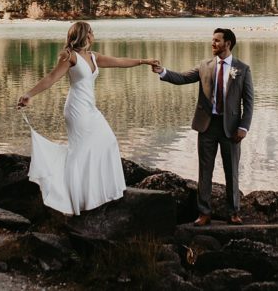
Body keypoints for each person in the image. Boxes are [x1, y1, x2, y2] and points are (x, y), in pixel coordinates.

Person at [17, 21, 157, 216]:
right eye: (91, 31)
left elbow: (119, 62)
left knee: (108, 141)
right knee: (81, 151)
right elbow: (50, 78)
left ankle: (97, 193)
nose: (94, 33)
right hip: (76, 109)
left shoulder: (94, 56)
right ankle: (76, 199)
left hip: (90, 108)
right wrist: (29, 95)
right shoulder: (70, 56)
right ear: (85, 35)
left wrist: (144, 61)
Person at [152, 27, 253, 225]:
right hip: (207, 126)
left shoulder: (242, 69)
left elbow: (249, 103)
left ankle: (233, 212)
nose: (212, 43)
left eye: (217, 40)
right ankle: (204, 213)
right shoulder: (204, 66)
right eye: (212, 40)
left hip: (231, 129)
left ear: (228, 44)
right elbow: (182, 78)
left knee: (231, 170)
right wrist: (162, 71)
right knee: (204, 170)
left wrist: (244, 127)